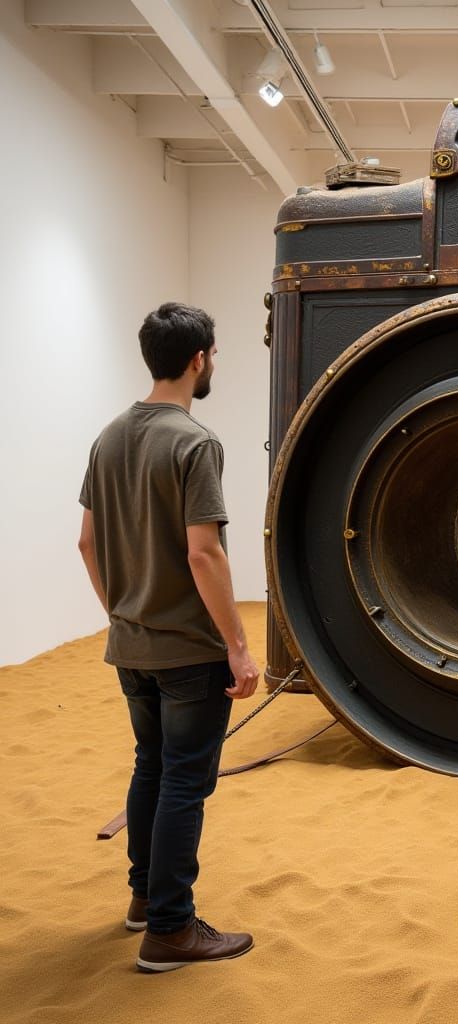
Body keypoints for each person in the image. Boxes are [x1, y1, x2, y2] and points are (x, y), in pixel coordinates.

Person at [77, 302, 259, 973]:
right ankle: (171, 929)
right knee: (184, 780)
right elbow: (204, 554)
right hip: (189, 652)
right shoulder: (193, 442)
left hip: (132, 648)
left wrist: (122, 612)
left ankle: (141, 902)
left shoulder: (108, 437)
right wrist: (238, 646)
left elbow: (87, 542)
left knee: (150, 767)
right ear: (199, 358)